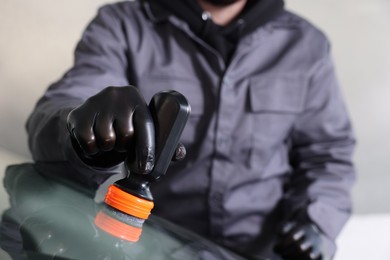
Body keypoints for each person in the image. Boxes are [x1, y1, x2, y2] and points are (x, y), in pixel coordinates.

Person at [26, 0, 356, 259]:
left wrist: (316, 223)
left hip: (261, 251)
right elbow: (57, 109)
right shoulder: (123, 24)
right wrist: (81, 127)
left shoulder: (307, 46)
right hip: (149, 246)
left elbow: (329, 155)